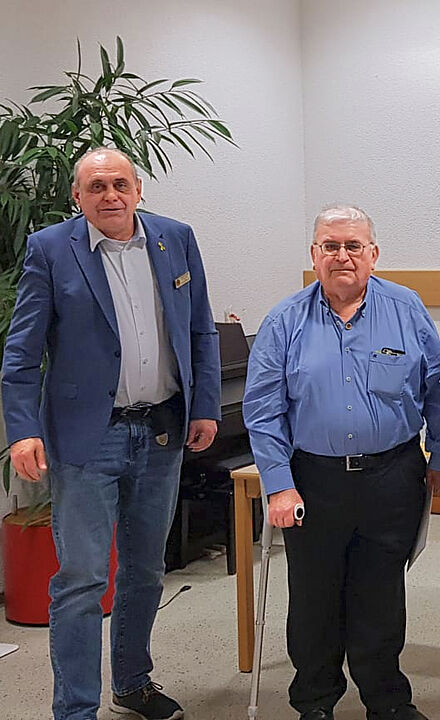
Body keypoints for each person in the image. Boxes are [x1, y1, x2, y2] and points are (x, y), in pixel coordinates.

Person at [1, 147, 220, 720]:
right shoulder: (52, 249)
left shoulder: (176, 238)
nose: (110, 196)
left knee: (147, 568)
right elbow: (22, 353)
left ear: (139, 190)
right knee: (82, 577)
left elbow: (199, 329)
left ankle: (133, 682)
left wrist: (205, 408)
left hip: (164, 430)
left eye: (119, 183)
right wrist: (22, 430)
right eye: (95, 187)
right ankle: (75, 708)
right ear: (78, 197)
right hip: (86, 439)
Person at [243, 205, 440, 720]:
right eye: (330, 246)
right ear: (314, 254)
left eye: (353, 246)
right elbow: (263, 408)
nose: (342, 256)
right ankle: (315, 700)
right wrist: (278, 485)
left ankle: (386, 699)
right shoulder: (284, 320)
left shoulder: (405, 308)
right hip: (312, 481)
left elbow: (438, 385)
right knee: (315, 598)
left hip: (392, 475)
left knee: (380, 594)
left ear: (373, 254)